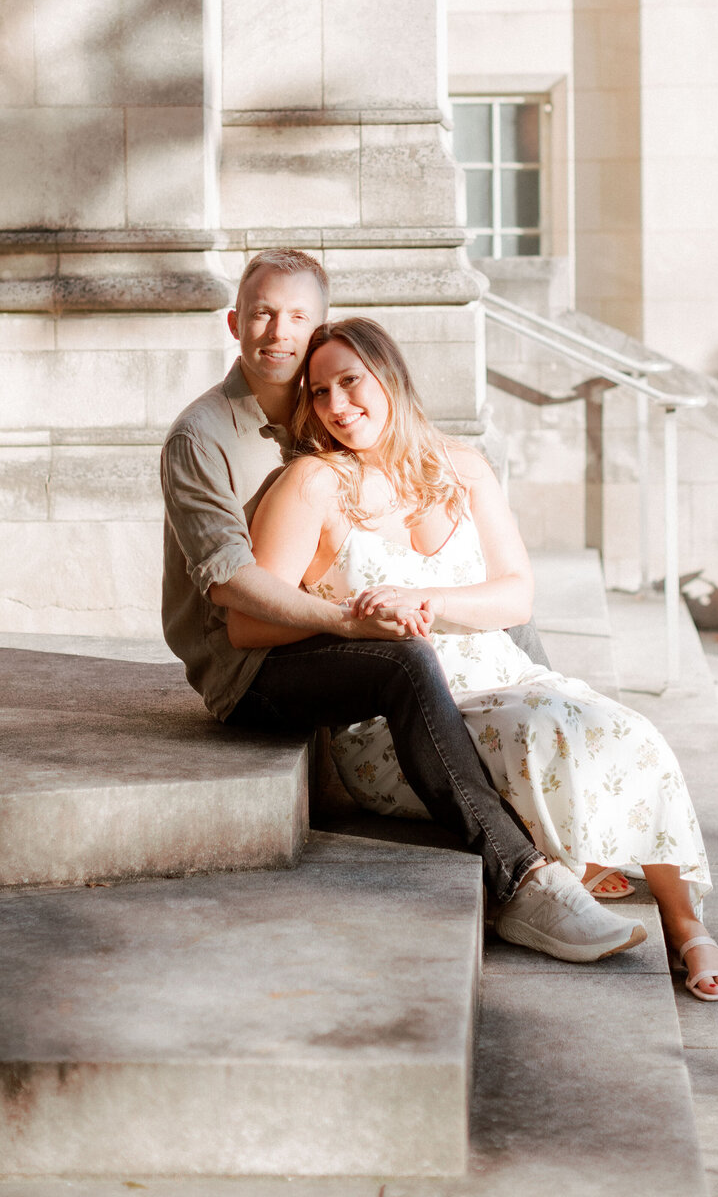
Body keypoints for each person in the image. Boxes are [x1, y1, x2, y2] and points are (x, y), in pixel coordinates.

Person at [161, 249, 647, 963]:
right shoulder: (201, 437)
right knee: (403, 661)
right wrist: (349, 620)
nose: (277, 331)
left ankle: (568, 799)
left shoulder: (321, 406)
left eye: (298, 316)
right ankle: (520, 880)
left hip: (328, 636)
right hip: (250, 665)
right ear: (235, 322)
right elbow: (233, 585)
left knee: (491, 609)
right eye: (262, 312)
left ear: (321, 328)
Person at [245, 316, 718, 1002]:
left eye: (350, 382)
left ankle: (685, 924)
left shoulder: (462, 466)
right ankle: (571, 873)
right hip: (406, 716)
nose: (336, 406)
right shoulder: (313, 483)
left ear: (390, 376)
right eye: (319, 392)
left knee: (632, 731)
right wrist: (356, 619)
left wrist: (430, 596)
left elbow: (516, 594)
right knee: (547, 730)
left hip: (503, 673)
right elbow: (252, 615)